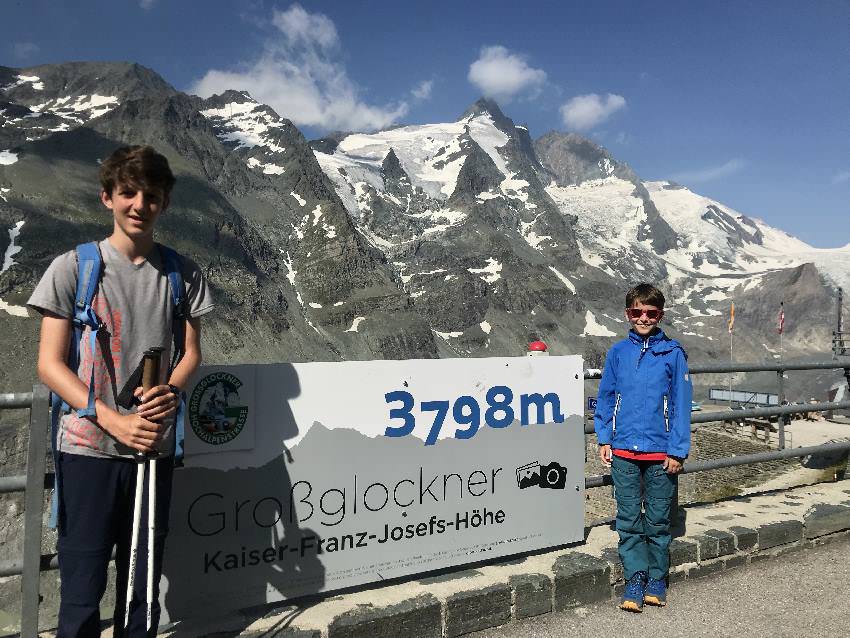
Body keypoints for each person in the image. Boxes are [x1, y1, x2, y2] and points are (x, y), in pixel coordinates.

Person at [27, 145, 214, 637]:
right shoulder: (74, 269)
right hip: (89, 448)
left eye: (151, 196)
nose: (139, 205)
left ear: (165, 203)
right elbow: (50, 364)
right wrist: (110, 418)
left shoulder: (183, 274)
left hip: (152, 448)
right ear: (106, 196)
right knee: (83, 591)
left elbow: (191, 352)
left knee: (142, 591)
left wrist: (168, 391)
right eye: (128, 193)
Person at [593, 282, 692, 612]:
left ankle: (656, 578)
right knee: (629, 518)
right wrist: (604, 437)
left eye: (651, 313)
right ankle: (635, 577)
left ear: (660, 315)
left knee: (660, 519)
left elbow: (681, 402)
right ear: (628, 314)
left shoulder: (673, 353)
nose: (644, 318)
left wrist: (678, 450)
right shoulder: (618, 353)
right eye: (637, 312)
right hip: (622, 450)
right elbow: (606, 398)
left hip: (661, 452)